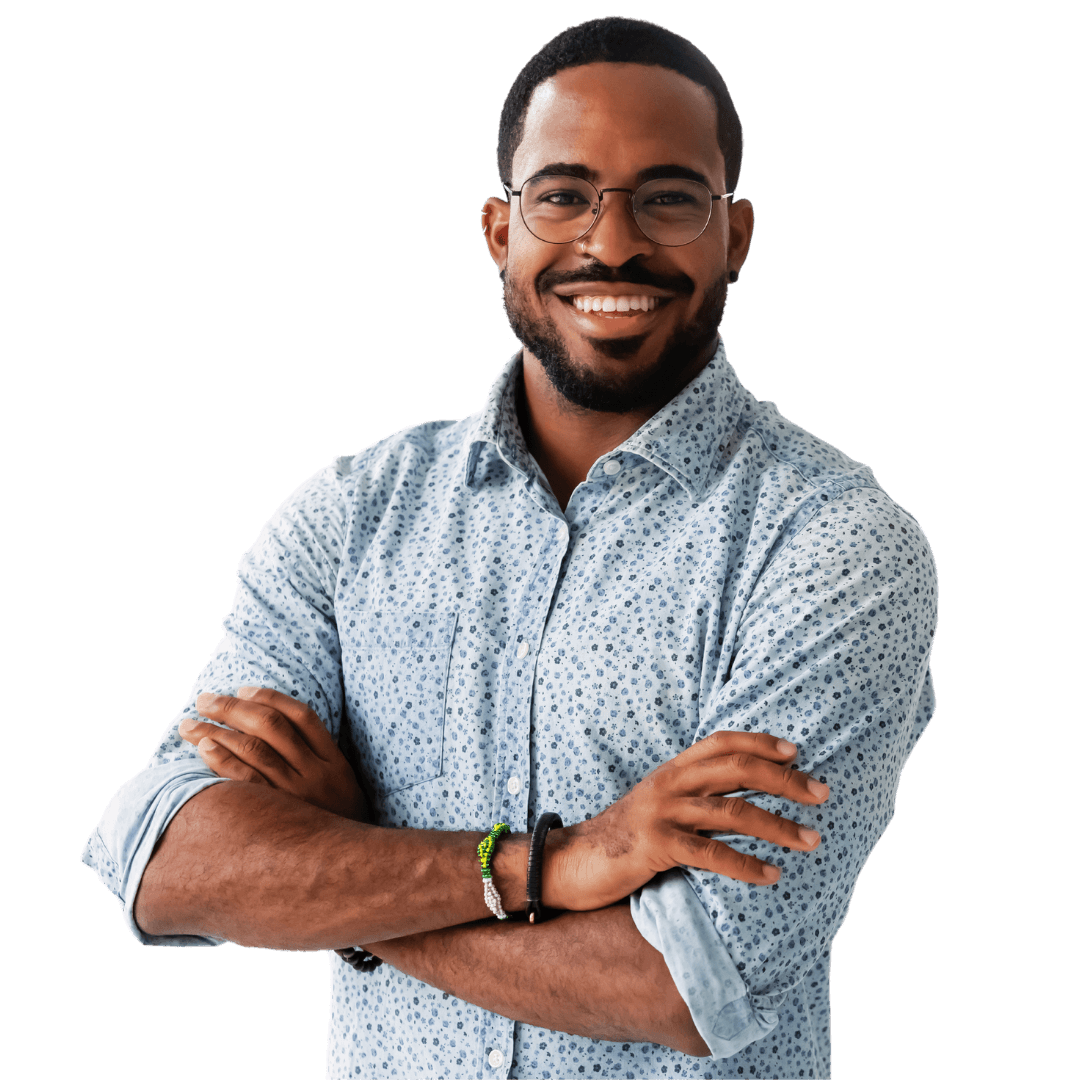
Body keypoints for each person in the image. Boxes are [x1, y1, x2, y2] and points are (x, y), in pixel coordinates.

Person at [81, 16, 938, 1080]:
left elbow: (690, 983)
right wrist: (552, 865)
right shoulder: (353, 515)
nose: (612, 242)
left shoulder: (833, 545)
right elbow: (160, 858)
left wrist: (348, 884)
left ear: (738, 235)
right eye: (564, 194)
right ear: (500, 231)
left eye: (669, 198)